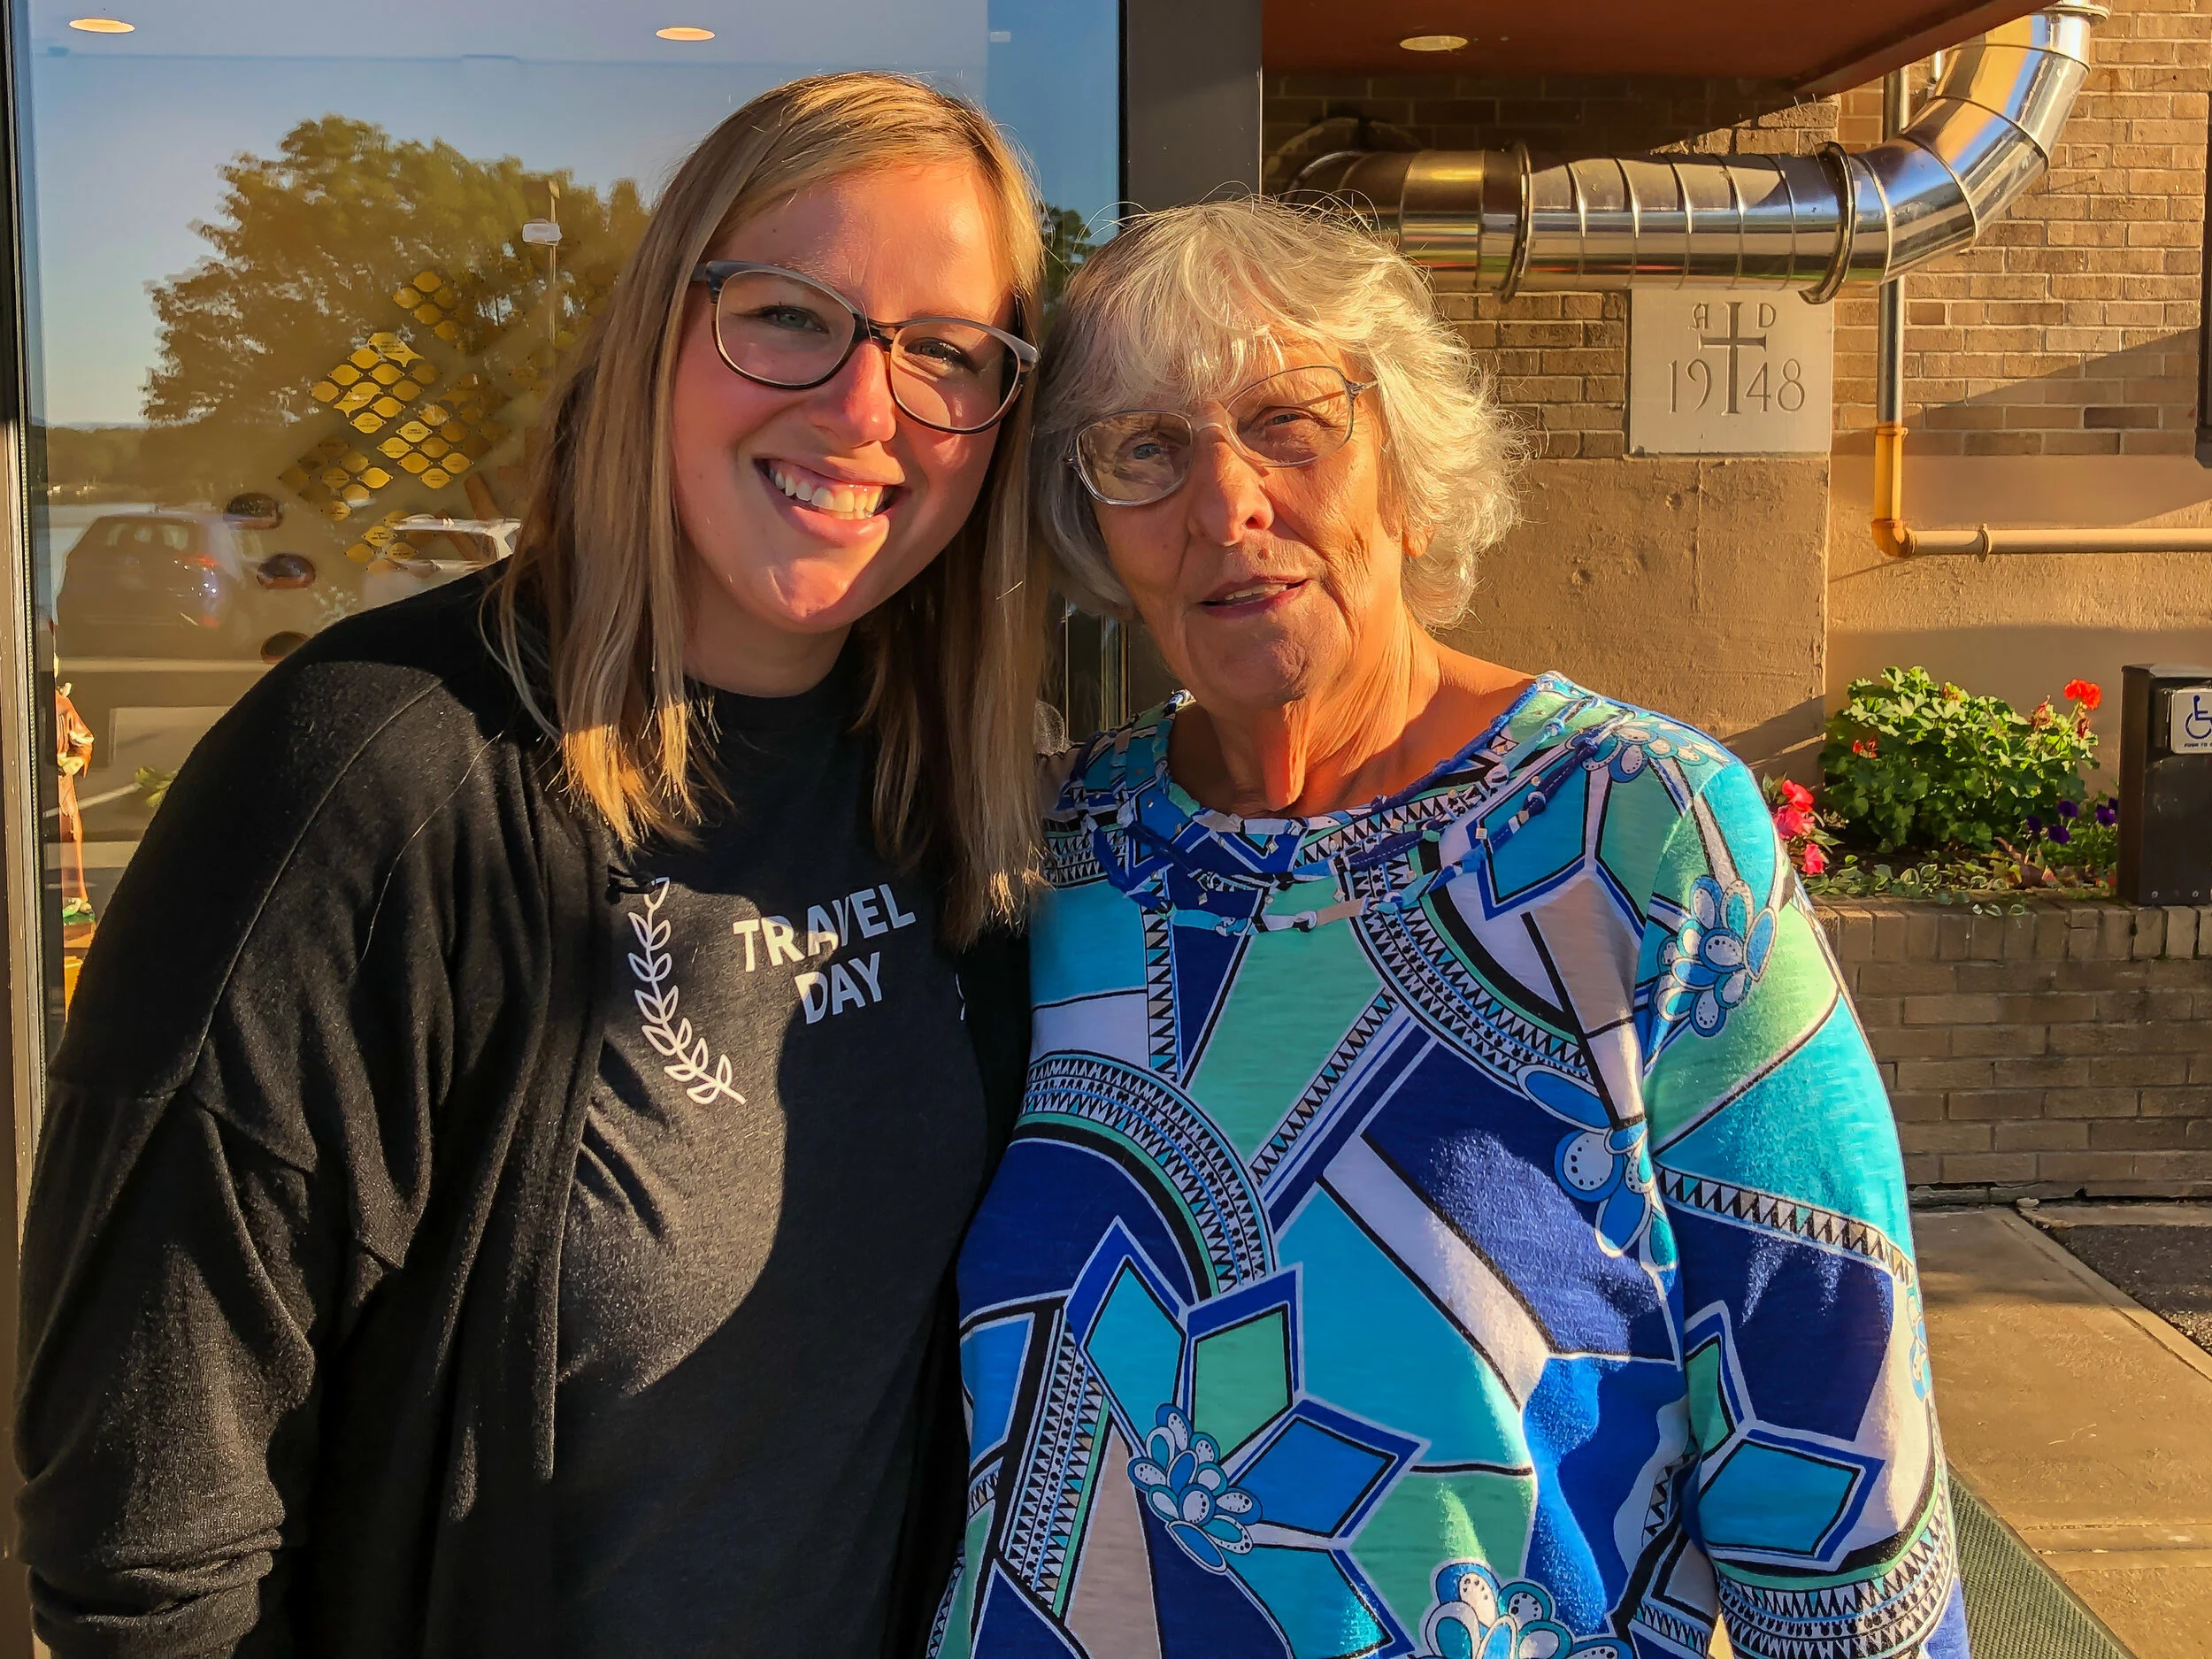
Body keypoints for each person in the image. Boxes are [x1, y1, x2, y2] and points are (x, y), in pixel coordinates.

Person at [18, 72, 1046, 1659]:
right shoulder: (366, 784)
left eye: (946, 354)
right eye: (787, 316)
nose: (863, 408)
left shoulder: (956, 792)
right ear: (656, 336)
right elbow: (144, 1545)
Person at [934, 197, 1966, 1659]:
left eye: (1289, 421)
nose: (1225, 504)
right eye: (1146, 449)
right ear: (1094, 519)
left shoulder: (1637, 837)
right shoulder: (1055, 857)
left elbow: (1832, 1416)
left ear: (1406, 465)